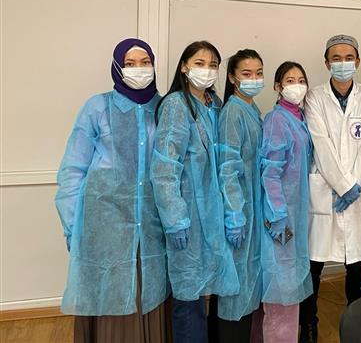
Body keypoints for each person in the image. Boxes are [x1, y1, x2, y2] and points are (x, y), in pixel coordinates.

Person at [55, 38, 171, 343]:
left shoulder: (164, 108)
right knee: (111, 297)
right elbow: (73, 170)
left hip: (152, 225)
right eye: (130, 64)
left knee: (149, 293)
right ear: (118, 67)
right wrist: (73, 227)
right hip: (105, 226)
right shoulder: (97, 107)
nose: (139, 69)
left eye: (145, 62)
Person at [150, 41, 238, 343]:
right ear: (185, 67)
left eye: (213, 65)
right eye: (200, 63)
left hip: (213, 216)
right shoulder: (176, 105)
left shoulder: (215, 105)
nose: (207, 70)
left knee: (210, 292)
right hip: (187, 218)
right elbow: (165, 168)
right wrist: (175, 219)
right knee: (189, 296)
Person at [300, 35, 361, 343]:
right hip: (324, 190)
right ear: (326, 63)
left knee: (357, 265)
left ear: (358, 61)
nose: (343, 63)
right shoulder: (314, 97)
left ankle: (358, 323)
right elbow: (320, 144)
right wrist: (344, 185)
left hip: (357, 193)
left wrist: (353, 187)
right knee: (314, 265)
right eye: (336, 58)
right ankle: (309, 325)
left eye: (349, 57)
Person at [210, 50, 265, 342]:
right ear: (232, 78)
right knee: (235, 289)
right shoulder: (233, 112)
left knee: (246, 284)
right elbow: (228, 168)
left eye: (259, 73)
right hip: (240, 213)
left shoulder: (252, 109)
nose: (254, 79)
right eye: (247, 74)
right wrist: (235, 214)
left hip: (252, 211)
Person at [260, 61, 314, 343]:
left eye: (301, 80)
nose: (297, 86)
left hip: (295, 215)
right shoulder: (276, 120)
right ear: (277, 87)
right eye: (290, 81)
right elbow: (270, 172)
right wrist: (278, 215)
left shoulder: (300, 118)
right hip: (281, 218)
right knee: (281, 293)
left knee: (290, 290)